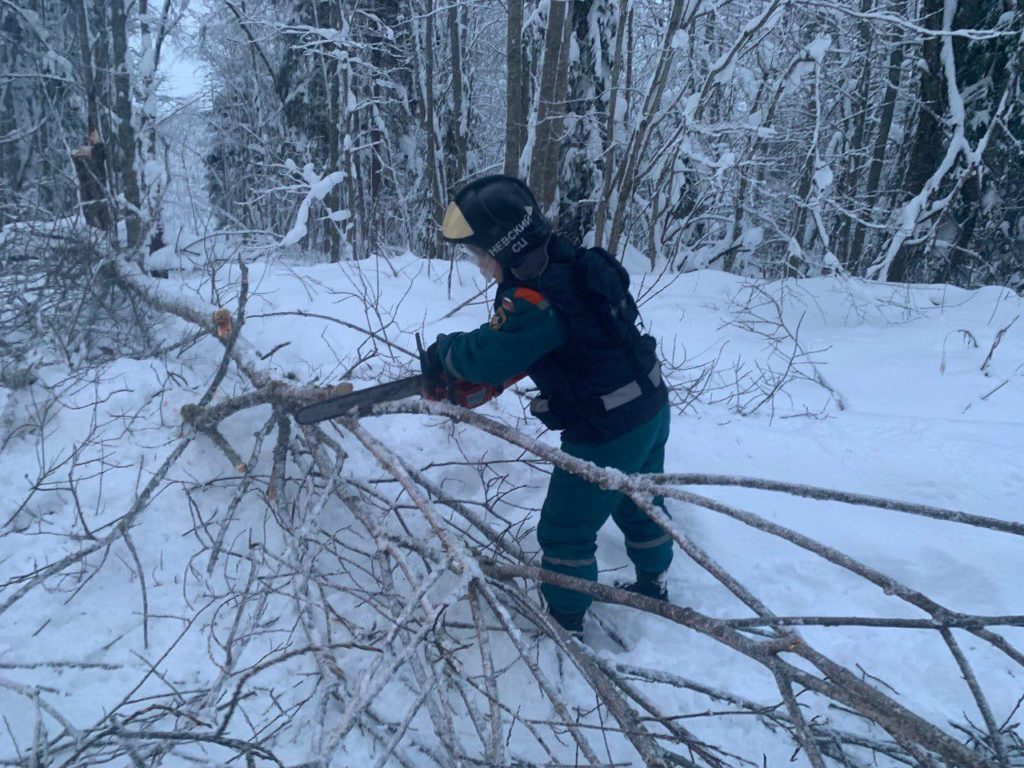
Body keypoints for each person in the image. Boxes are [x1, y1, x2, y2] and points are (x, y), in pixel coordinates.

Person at [422, 175, 673, 634]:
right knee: (639, 498)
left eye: (480, 255)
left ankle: (566, 620)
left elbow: (488, 353)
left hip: (608, 429)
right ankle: (654, 580)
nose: (479, 265)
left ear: (505, 247)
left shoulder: (535, 298)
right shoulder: (567, 263)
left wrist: (446, 354)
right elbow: (565, 340)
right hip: (650, 407)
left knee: (565, 529)